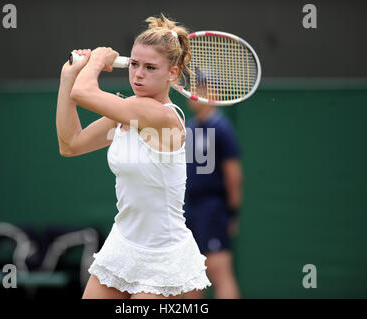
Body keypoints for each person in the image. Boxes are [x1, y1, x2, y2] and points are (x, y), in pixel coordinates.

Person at [56, 14, 211, 299]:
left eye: (150, 67)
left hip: (163, 255)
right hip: (123, 245)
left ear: (173, 74)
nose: (138, 74)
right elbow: (71, 144)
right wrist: (68, 78)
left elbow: (85, 92)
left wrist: (96, 62)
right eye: (135, 64)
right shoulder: (126, 111)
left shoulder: (160, 116)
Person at [183, 82, 242, 299]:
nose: (191, 95)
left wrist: (232, 213)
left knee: (218, 271)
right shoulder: (189, 127)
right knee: (190, 275)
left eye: (198, 89)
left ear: (213, 94)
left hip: (213, 208)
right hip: (190, 208)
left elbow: (233, 175)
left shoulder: (222, 128)